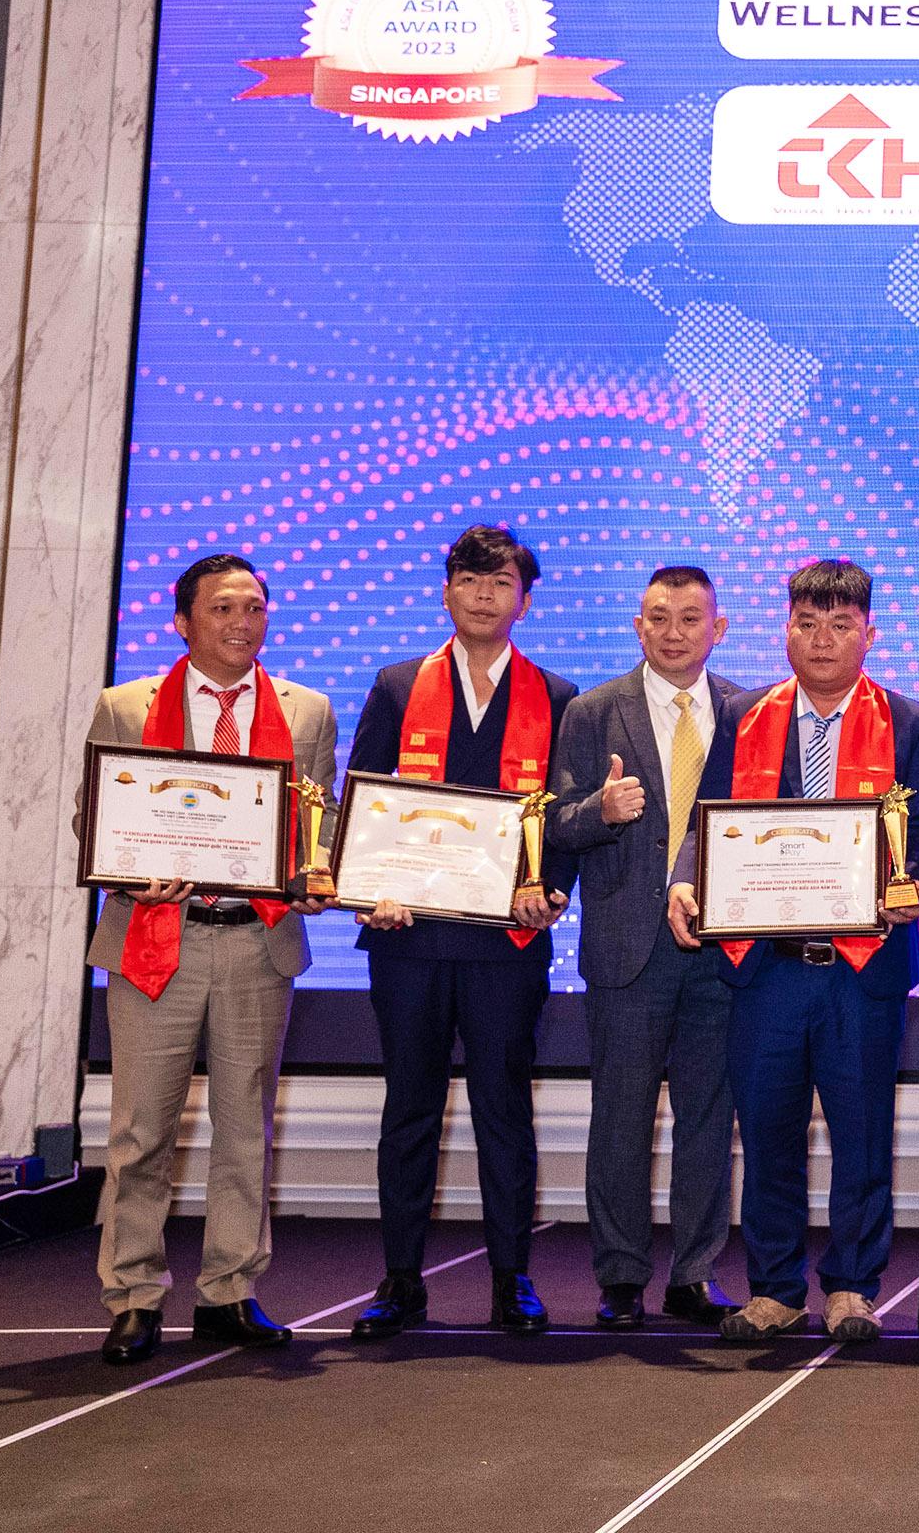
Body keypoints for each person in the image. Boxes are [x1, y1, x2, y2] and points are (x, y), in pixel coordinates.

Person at [670, 558, 919, 1345]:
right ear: (785, 630)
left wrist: (916, 885)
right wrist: (685, 882)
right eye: (807, 624)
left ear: (870, 634)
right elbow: (710, 818)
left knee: (863, 1135)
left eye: (841, 625)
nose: (823, 640)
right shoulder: (744, 714)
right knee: (768, 1133)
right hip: (767, 968)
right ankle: (776, 1289)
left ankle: (853, 1285)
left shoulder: (910, 722)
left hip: (863, 969)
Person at [79, 554, 336, 1365]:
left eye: (254, 607)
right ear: (183, 621)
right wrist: (128, 871)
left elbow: (319, 819)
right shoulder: (126, 706)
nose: (242, 623)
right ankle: (133, 1295)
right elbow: (96, 817)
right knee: (140, 1132)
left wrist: (316, 871)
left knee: (245, 1128)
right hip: (155, 935)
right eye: (223, 608)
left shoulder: (306, 710)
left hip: (257, 939)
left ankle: (230, 1289)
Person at [346, 525, 577, 1341]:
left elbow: (564, 818)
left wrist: (551, 890)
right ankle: (400, 1280)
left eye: (501, 581)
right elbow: (363, 800)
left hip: (506, 944)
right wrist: (368, 890)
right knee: (408, 1110)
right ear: (445, 591)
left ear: (525, 599)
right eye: (470, 580)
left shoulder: (557, 696)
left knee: (503, 1111)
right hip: (407, 939)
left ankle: (512, 1278)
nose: (484, 594)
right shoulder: (397, 685)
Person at [546, 564, 745, 1331]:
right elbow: (554, 822)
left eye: (690, 619)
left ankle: (695, 1274)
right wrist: (599, 809)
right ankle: (622, 1276)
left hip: (718, 944)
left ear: (717, 629)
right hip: (626, 943)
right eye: (658, 618)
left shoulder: (748, 710)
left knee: (708, 1118)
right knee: (620, 1117)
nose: (673, 633)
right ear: (637, 627)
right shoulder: (592, 711)